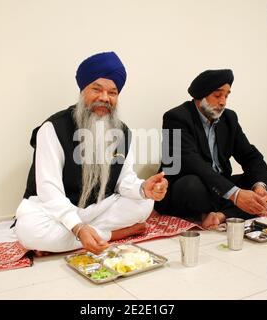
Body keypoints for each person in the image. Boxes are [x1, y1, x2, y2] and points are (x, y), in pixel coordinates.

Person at [15, 52, 168, 254]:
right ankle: (114, 234)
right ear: (82, 91)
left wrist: (143, 188)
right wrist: (77, 227)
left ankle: (69, 241)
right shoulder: (53, 128)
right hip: (57, 210)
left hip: (98, 208)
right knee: (30, 230)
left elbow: (124, 181)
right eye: (97, 89)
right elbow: (49, 191)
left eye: (112, 93)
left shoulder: (122, 132)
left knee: (145, 203)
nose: (104, 98)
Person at [154, 69, 267, 229]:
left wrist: (259, 187)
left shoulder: (229, 118)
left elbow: (250, 155)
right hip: (188, 188)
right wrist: (235, 194)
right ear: (201, 96)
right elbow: (192, 163)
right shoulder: (176, 117)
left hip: (220, 188)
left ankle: (220, 215)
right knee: (192, 185)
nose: (223, 102)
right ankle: (232, 209)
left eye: (226, 96)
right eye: (217, 95)